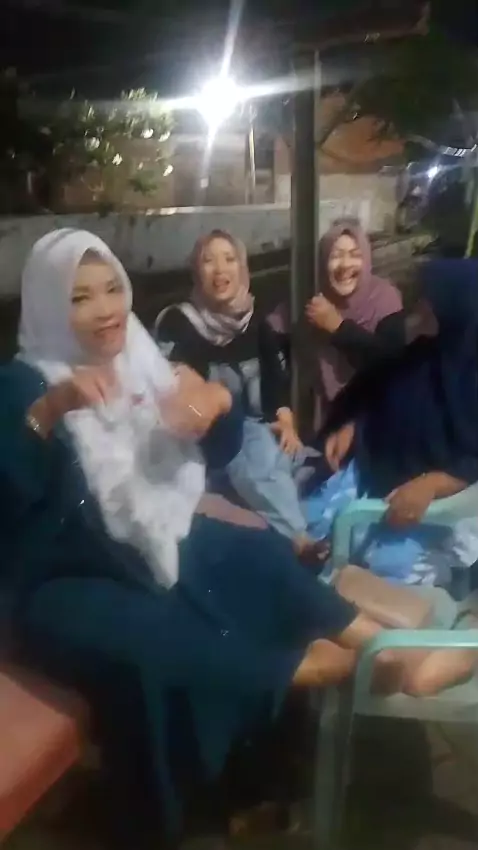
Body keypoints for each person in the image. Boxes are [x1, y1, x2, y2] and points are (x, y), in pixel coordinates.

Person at [4, 227, 463, 846]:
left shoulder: (141, 359)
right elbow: (10, 494)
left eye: (112, 288)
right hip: (62, 579)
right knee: (164, 644)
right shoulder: (23, 382)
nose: (106, 309)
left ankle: (384, 646)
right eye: (80, 297)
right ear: (46, 304)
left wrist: (216, 403)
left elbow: (215, 450)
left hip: (148, 544)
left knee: (258, 556)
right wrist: (52, 408)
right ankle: (321, 670)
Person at [303, 258, 478, 589]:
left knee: (380, 572)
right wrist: (354, 427)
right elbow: (383, 397)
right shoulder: (422, 350)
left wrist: (432, 485)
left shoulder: (468, 377)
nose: (421, 305)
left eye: (431, 300)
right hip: (370, 469)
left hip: (426, 504)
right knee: (305, 530)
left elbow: (473, 462)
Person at [154, 228, 324, 564]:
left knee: (288, 454)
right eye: (208, 261)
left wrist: (285, 421)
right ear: (196, 272)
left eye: (229, 259)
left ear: (242, 268)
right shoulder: (178, 323)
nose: (220, 270)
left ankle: (288, 530)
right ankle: (300, 540)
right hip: (204, 442)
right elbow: (176, 394)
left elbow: (275, 380)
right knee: (253, 444)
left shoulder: (254, 320)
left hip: (255, 437)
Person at [305, 218, 405, 428]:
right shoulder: (316, 299)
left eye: (355, 255)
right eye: (335, 256)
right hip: (326, 418)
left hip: (375, 418)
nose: (345, 265)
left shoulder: (385, 299)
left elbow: (392, 367)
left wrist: (339, 328)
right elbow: (274, 326)